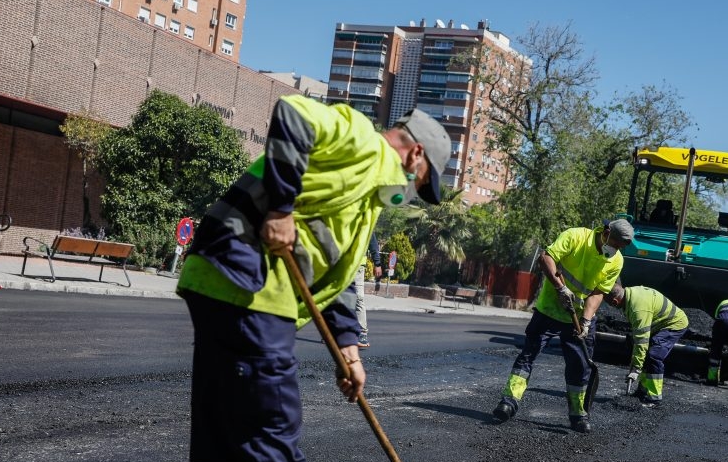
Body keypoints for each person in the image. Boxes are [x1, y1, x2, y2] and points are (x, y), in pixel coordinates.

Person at [176, 94, 451, 462]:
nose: (413, 193)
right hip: (248, 283)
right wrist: (280, 209)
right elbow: (293, 112)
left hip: (230, 283)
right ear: (415, 154)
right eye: (420, 183)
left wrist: (349, 352)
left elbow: (337, 280)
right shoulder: (364, 142)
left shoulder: (367, 198)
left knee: (223, 432)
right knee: (273, 430)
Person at [491, 219, 632, 434]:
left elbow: (598, 291)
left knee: (580, 366)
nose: (616, 249)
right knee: (529, 353)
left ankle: (577, 414)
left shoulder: (616, 261)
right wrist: (560, 288)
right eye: (615, 243)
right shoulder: (576, 236)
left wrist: (585, 320)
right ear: (606, 232)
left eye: (621, 247)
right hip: (550, 307)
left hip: (577, 316)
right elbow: (546, 258)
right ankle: (509, 401)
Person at [604, 283, 688, 408]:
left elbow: (641, 342)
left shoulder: (638, 309)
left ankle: (654, 399)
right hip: (659, 324)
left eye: (610, 304)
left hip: (674, 324)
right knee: (645, 353)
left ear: (615, 302)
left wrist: (635, 369)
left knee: (654, 355)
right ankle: (642, 391)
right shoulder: (630, 293)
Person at [354, 232, 383, 348]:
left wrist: (377, 263)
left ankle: (362, 333)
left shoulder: (365, 219)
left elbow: (373, 243)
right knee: (338, 297)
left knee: (358, 297)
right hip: (342, 265)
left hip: (358, 267)